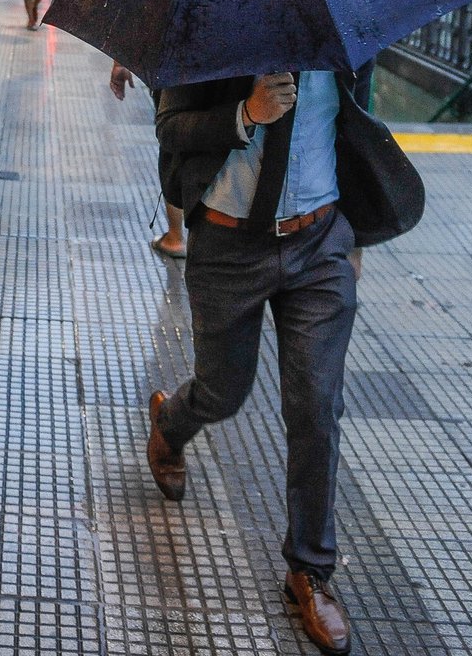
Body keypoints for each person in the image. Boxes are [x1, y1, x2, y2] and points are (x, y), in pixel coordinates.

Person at [146, 66, 379, 656]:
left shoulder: (344, 36)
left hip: (319, 242)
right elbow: (172, 128)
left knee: (316, 405)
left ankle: (310, 570)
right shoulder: (216, 31)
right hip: (229, 245)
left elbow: (352, 129)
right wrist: (246, 114)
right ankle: (171, 423)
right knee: (225, 389)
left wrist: (352, 239)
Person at [109, 61, 185, 257]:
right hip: (237, 80)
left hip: (177, 72)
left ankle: (176, 237)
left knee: (173, 146)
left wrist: (121, 62)